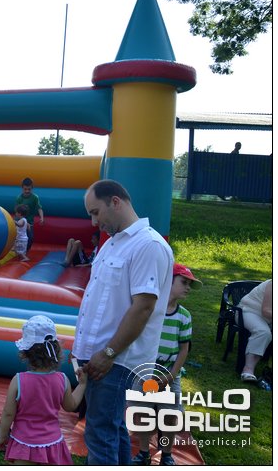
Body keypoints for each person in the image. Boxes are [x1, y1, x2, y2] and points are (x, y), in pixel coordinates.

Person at [71, 179, 174, 465]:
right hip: (101, 356)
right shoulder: (112, 244)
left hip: (118, 359)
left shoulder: (148, 245)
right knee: (111, 429)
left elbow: (143, 307)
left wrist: (109, 353)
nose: (94, 222)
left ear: (115, 202)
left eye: (96, 212)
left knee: (99, 433)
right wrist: (82, 348)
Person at [130, 263, 199, 466]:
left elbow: (184, 349)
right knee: (142, 413)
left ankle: (167, 454)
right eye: (184, 282)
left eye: (189, 284)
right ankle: (144, 452)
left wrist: (171, 375)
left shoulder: (184, 316)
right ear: (168, 281)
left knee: (169, 415)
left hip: (169, 373)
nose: (188, 288)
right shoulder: (150, 309)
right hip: (144, 372)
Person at [0, 315, 87, 464]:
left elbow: (8, 413)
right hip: (52, 444)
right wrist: (82, 385)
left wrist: (3, 436)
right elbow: (71, 406)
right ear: (56, 349)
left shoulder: (18, 381)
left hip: (24, 443)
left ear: (26, 353)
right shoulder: (62, 379)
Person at [237, 279, 272, 382]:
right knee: (263, 332)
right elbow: (266, 311)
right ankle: (248, 370)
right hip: (249, 311)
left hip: (269, 318)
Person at [15, 177, 44, 253]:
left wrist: (41, 218)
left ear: (32, 188)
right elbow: (17, 211)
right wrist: (21, 222)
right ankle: (18, 251)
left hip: (30, 222)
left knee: (30, 238)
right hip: (20, 221)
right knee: (18, 237)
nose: (27, 191)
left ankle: (25, 251)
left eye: (29, 189)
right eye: (25, 189)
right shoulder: (19, 198)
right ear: (22, 188)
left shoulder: (34, 198)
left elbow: (39, 208)